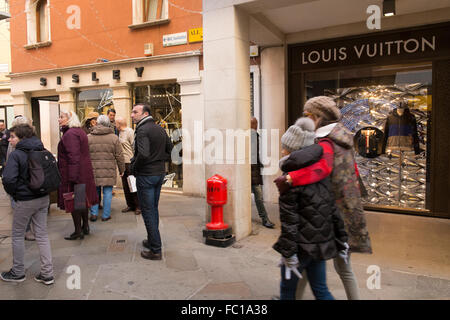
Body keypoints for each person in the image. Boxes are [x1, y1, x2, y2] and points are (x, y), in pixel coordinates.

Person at [274, 96, 372, 300]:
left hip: (329, 214)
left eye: (308, 115)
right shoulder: (342, 137)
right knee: (319, 271)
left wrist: (290, 178)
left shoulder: (326, 141)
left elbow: (322, 168)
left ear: (318, 117)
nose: (306, 119)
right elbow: (352, 171)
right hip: (340, 209)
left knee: (339, 269)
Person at [274, 117, 348, 300]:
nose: (281, 149)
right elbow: (333, 210)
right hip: (321, 243)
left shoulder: (290, 179)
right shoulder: (320, 171)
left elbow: (290, 222)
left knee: (287, 290)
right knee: (321, 289)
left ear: (291, 150)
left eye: (284, 146)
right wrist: (342, 239)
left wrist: (289, 254)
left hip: (300, 247)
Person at [0, 124, 54, 285]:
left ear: (22, 138)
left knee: (17, 235)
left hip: (25, 200)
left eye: (12, 137)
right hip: (43, 197)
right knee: (42, 234)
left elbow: (8, 179)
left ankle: (17, 272)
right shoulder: (41, 149)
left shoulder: (17, 155)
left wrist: (16, 194)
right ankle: (47, 274)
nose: (9, 140)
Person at [130, 103, 173, 260]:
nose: (132, 115)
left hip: (146, 176)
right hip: (158, 174)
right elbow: (170, 149)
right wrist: (160, 161)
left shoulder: (142, 130)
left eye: (135, 112)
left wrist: (134, 167)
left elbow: (144, 154)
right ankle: (152, 240)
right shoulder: (159, 128)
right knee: (152, 209)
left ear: (145, 113)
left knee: (148, 211)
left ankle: (155, 250)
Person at [57, 110, 98, 240]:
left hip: (74, 175)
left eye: (61, 117)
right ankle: (85, 227)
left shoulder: (70, 134)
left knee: (75, 203)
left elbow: (73, 156)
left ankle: (78, 230)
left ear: (69, 119)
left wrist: (72, 178)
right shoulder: (79, 131)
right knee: (81, 202)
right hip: (82, 173)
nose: (59, 119)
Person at [88, 115, 125, 222]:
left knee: (94, 191)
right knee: (108, 192)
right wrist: (122, 169)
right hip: (108, 169)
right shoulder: (114, 138)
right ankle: (105, 215)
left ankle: (94, 213)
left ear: (98, 123)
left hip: (93, 169)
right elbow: (119, 156)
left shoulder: (89, 137)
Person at [5, 116, 36, 241]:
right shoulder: (15, 144)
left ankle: (26, 230)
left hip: (23, 183)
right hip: (22, 182)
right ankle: (27, 230)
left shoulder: (22, 144)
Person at [251, 117, 274, 228]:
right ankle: (265, 219)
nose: (256, 126)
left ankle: (265, 219)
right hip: (250, 172)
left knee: (258, 196)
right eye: (254, 124)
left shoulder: (254, 136)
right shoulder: (249, 136)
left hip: (254, 172)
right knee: (258, 196)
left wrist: (259, 163)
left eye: (256, 123)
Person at [116, 116, 140, 215]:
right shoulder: (119, 132)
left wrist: (134, 161)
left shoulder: (129, 132)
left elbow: (134, 147)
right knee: (125, 186)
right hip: (123, 163)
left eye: (116, 123)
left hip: (130, 163)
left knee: (132, 185)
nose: (115, 125)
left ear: (119, 124)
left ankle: (138, 206)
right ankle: (130, 205)